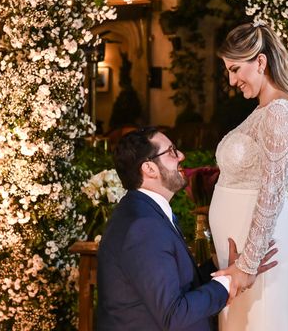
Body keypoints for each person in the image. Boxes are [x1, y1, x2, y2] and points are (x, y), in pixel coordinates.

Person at [96, 127, 278, 331]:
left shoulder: (143, 212)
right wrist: (231, 280)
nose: (181, 156)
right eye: (171, 151)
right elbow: (174, 315)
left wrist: (221, 264)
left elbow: (174, 284)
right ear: (149, 169)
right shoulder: (143, 227)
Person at [209, 22, 288, 330]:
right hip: (240, 261)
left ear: (261, 62)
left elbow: (272, 194)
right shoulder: (262, 111)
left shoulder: (279, 114)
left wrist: (248, 266)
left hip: (262, 262)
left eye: (236, 69)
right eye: (228, 71)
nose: (231, 79)